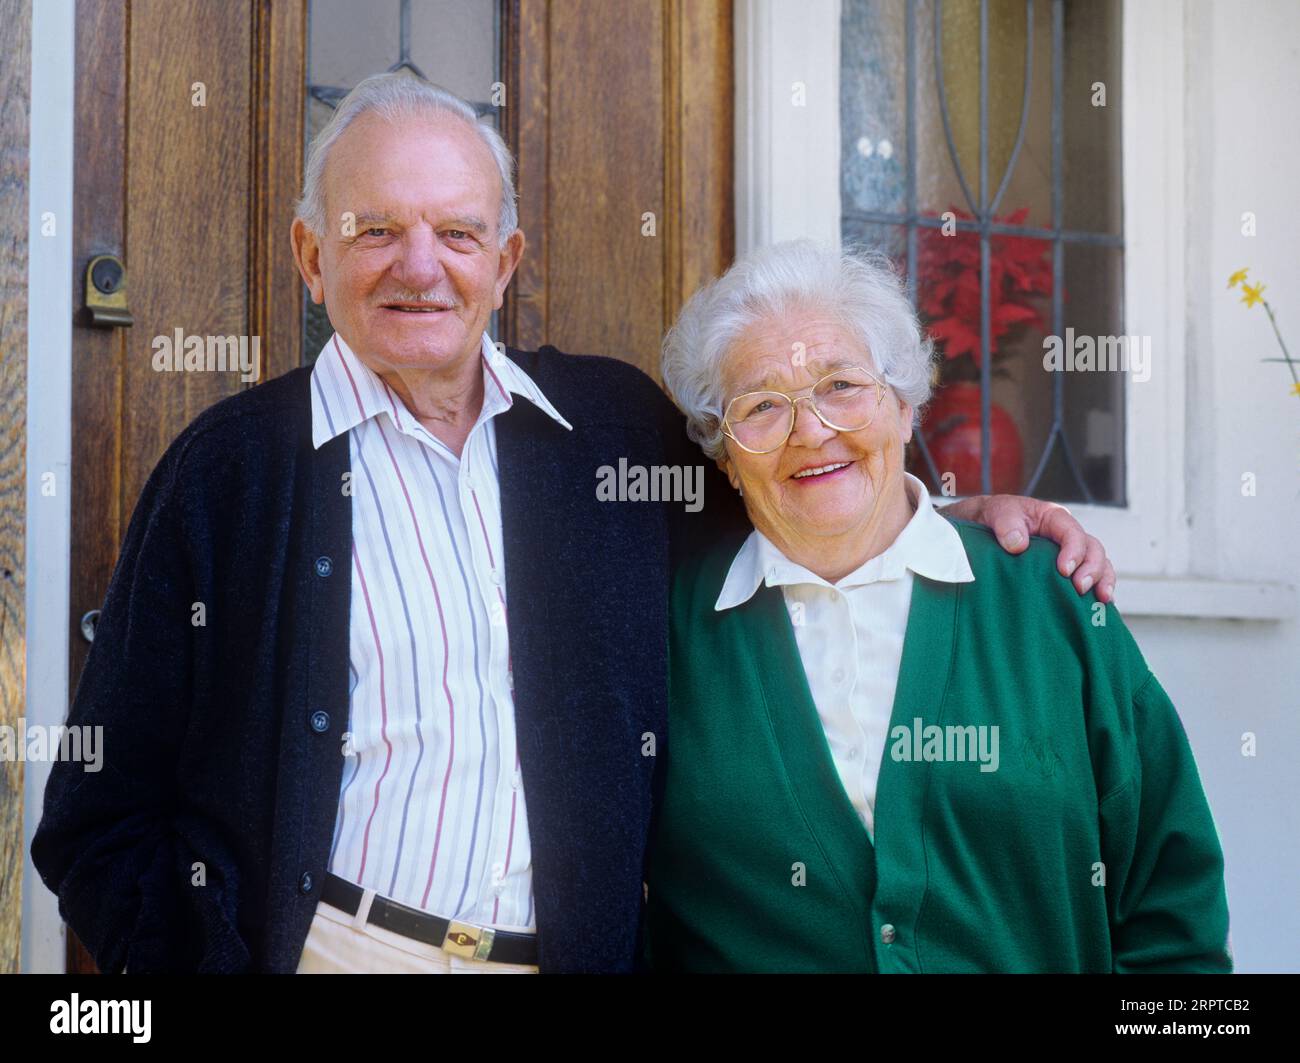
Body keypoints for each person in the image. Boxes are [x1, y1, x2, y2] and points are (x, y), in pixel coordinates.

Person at [32, 74, 1116, 974]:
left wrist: (948, 507)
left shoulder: (612, 433)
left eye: (457, 231)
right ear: (313, 257)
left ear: (503, 262)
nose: (421, 266)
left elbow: (794, 483)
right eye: (376, 232)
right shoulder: (228, 474)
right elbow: (97, 812)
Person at [644, 240, 1231, 973]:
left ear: (903, 404)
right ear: (725, 454)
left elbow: (1173, 908)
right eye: (762, 406)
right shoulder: (663, 636)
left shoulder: (1051, 601)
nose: (811, 430)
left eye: (840, 385)